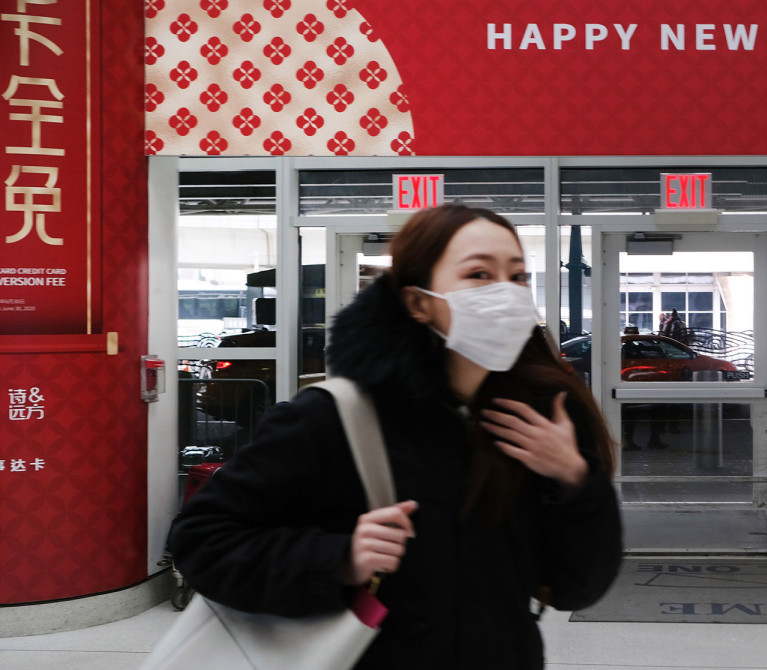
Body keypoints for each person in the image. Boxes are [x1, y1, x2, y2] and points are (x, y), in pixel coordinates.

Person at [168, 204, 623, 670]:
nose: (505, 293)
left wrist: (574, 478)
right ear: (418, 302)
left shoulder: (534, 422)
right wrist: (338, 558)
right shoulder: (337, 417)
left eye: (518, 276)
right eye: (479, 274)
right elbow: (203, 540)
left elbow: (575, 588)